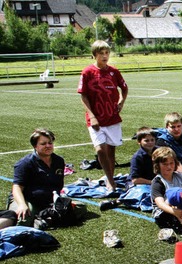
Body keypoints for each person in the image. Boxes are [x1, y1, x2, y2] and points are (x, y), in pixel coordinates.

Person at [78, 40, 128, 192]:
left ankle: (109, 178)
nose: (105, 56)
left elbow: (124, 89)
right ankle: (111, 181)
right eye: (101, 53)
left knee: (111, 151)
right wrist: (92, 116)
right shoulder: (87, 72)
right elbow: (84, 96)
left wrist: (121, 102)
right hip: (96, 119)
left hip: (112, 117)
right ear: (94, 55)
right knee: (100, 150)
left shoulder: (114, 71)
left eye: (107, 53)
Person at [9, 129, 66, 226]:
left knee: (79, 208)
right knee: (22, 219)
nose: (48, 146)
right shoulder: (25, 163)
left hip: (50, 201)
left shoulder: (59, 161)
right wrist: (22, 204)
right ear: (35, 146)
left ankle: (44, 219)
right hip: (28, 200)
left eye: (50, 143)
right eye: (43, 144)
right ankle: (44, 218)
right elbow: (17, 188)